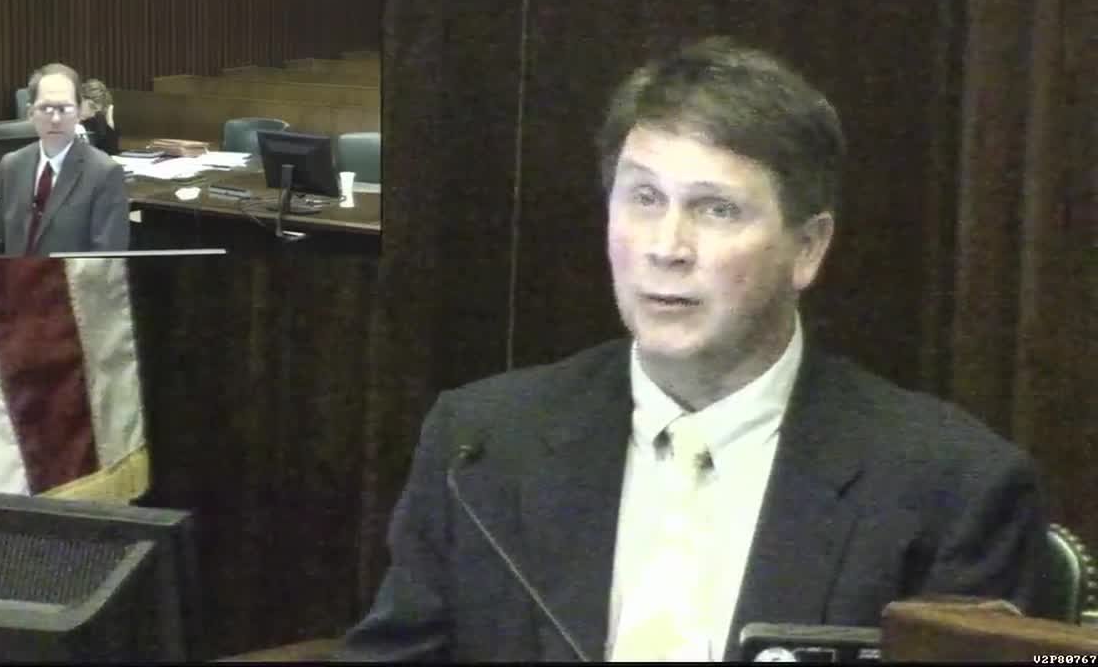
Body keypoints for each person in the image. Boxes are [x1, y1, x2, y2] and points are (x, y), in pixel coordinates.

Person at [337, 37, 1048, 662]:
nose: (667, 247)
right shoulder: (482, 446)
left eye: (716, 209)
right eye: (643, 198)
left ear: (807, 248)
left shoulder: (949, 487)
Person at [0, 63, 130, 256]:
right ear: (30, 113)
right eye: (46, 108)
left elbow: (108, 262)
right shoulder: (11, 165)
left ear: (79, 113)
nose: (55, 119)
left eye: (64, 108)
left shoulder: (105, 173)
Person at [80, 78, 121, 156]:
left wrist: (109, 120)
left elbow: (111, 153)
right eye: (92, 107)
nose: (93, 114)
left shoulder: (94, 121)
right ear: (81, 97)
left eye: (96, 111)